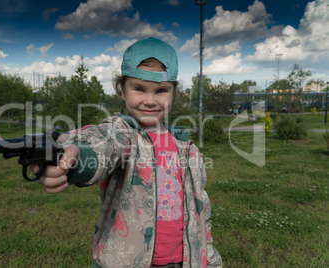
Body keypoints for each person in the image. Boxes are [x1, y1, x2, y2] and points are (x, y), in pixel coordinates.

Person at [31, 37, 222, 268]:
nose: (150, 101)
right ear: (122, 91)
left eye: (160, 90)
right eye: (139, 89)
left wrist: (208, 257)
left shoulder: (188, 150)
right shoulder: (124, 133)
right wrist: (75, 161)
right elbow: (104, 145)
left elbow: (202, 210)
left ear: (173, 93)